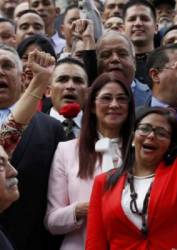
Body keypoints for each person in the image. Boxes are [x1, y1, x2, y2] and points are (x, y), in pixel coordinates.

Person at [86, 62, 177, 249]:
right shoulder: (103, 183)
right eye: (145, 129)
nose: (151, 136)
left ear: (171, 145)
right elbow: (94, 243)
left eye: (161, 133)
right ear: (132, 138)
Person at [44, 72, 135, 250]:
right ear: (92, 106)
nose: (114, 105)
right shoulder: (67, 150)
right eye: (106, 98)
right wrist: (81, 209)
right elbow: (52, 220)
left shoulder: (140, 150)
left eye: (122, 99)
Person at [0, 45, 65, 250]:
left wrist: (39, 82)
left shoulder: (49, 127)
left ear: (22, 76)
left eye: (7, 66)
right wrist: (38, 84)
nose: (13, 170)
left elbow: (8, 138)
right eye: (2, 163)